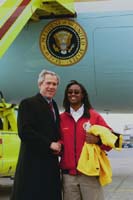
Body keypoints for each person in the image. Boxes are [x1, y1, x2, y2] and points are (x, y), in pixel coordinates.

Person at [10, 70, 62, 200]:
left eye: (54, 84)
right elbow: (25, 132)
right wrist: (49, 144)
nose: (51, 87)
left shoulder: (54, 105)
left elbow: (53, 131)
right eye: (48, 83)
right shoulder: (28, 103)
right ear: (40, 84)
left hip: (50, 164)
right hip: (32, 164)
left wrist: (60, 144)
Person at [59, 80, 112, 200]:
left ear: (83, 95)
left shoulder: (94, 116)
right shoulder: (61, 118)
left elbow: (111, 141)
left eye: (77, 92)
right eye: (70, 92)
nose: (73, 94)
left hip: (90, 175)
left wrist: (98, 140)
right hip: (69, 177)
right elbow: (58, 141)